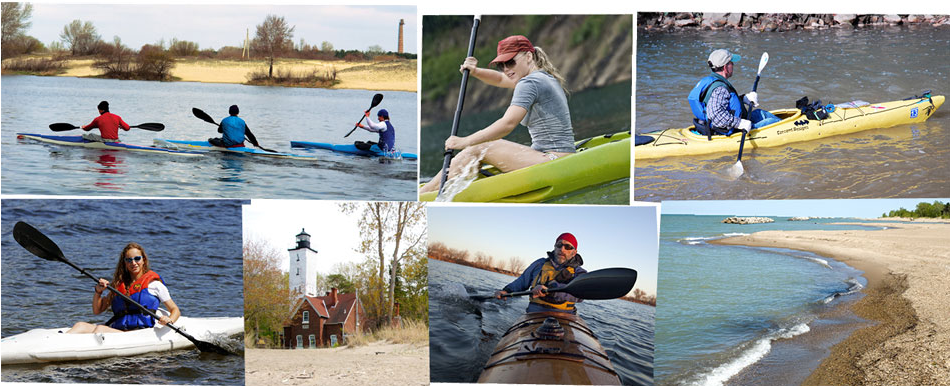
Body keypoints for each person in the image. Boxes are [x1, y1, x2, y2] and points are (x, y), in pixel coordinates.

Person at [420, 35, 575, 193]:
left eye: (510, 62)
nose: (506, 69)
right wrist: (475, 71)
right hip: (556, 155)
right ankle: (436, 186)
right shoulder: (543, 76)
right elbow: (501, 80)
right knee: (478, 147)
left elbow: (507, 124)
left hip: (553, 160)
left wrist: (465, 141)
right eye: (502, 65)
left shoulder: (529, 83)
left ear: (528, 56)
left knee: (479, 147)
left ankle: (426, 193)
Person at [66, 242, 180, 333]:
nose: (133, 263)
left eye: (137, 258)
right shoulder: (118, 286)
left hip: (139, 332)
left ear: (143, 260)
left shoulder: (154, 285)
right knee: (80, 325)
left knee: (100, 329)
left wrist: (169, 319)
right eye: (129, 260)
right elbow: (97, 310)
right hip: (118, 329)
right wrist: (98, 292)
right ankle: (60, 343)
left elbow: (175, 310)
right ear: (124, 263)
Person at [687, 49, 779, 138]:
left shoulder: (714, 82)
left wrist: (743, 98)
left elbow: (723, 102)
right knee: (772, 123)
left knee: (759, 113)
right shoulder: (720, 89)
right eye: (731, 63)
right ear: (725, 67)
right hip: (725, 131)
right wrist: (739, 123)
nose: (733, 64)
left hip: (718, 126)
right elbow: (716, 114)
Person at [493, 233, 587, 314]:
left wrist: (552, 291)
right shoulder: (540, 264)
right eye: (559, 245)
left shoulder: (579, 273)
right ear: (555, 247)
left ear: (574, 253)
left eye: (568, 247)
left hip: (565, 316)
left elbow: (581, 294)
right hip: (535, 313)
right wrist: (506, 290)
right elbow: (522, 281)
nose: (562, 249)